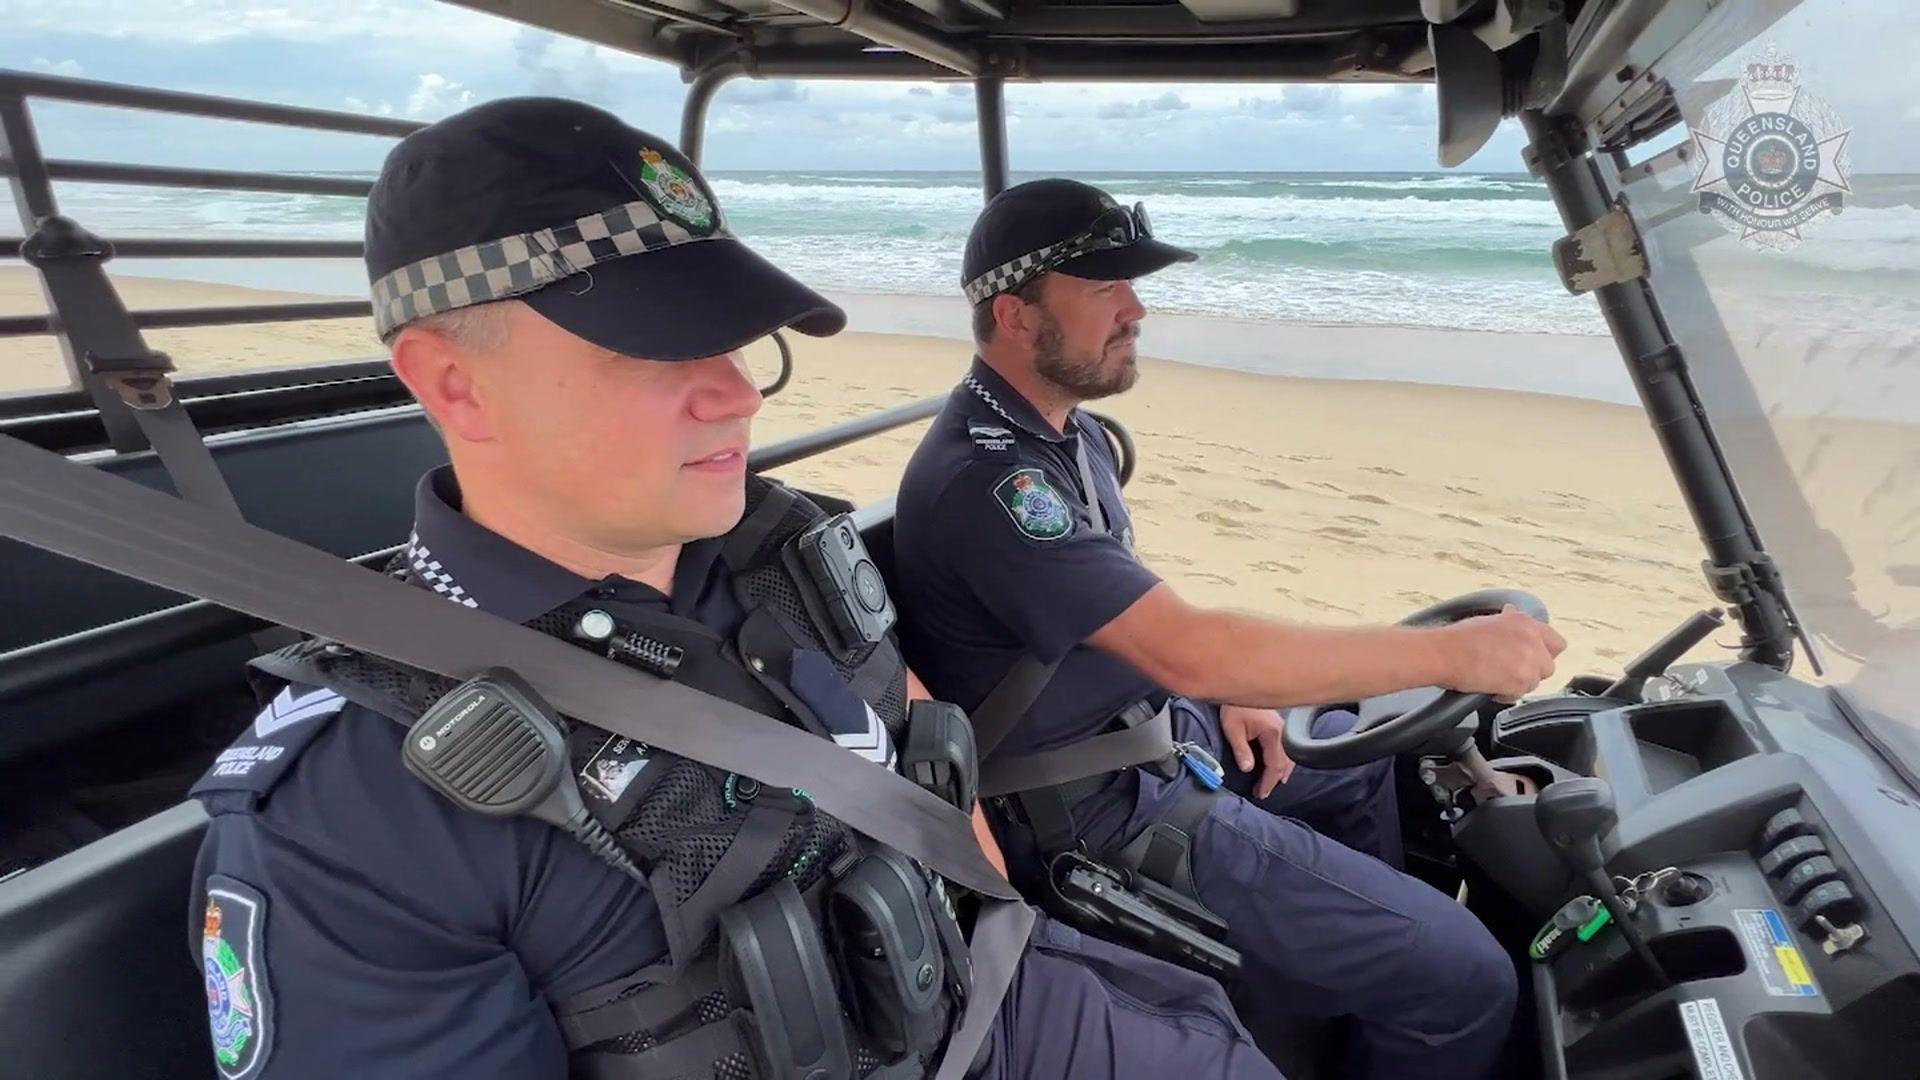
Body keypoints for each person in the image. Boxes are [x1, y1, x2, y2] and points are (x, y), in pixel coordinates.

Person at [186, 102, 1284, 1080]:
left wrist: (1019, 936)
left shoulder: (792, 551)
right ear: (455, 383)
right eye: (655, 348)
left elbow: (925, 760)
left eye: (731, 336)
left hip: (1008, 987)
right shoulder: (356, 811)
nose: (734, 392)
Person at [892, 178, 1569, 1079]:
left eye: (1133, 286)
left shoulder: (1067, 435)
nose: (1136, 309)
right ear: (1016, 316)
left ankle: (1331, 984)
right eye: (1105, 290)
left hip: (1152, 734)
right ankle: (1392, 974)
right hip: (1091, 811)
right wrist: (1452, 652)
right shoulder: (997, 485)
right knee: (1468, 978)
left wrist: (1222, 689)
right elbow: (1187, 644)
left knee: (1358, 761)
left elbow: (1134, 620)